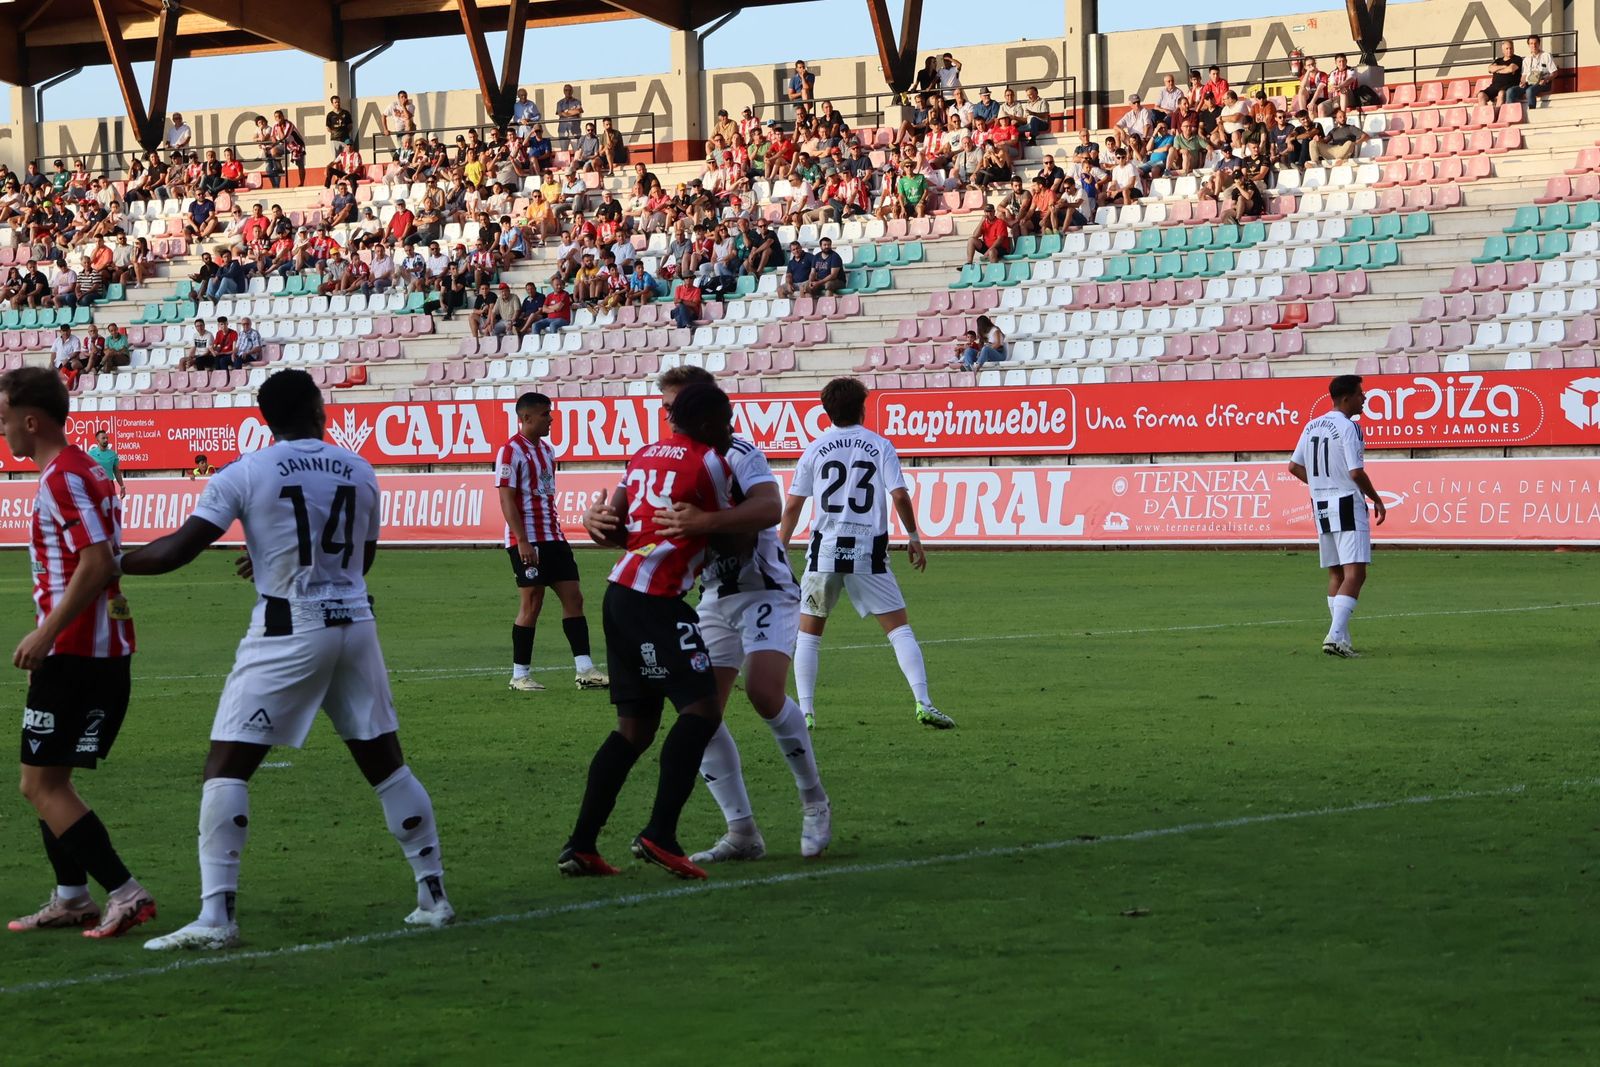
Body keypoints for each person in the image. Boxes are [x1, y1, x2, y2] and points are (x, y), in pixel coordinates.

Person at [125, 369, 454, 951]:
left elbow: (177, 549)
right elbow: (361, 555)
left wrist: (112, 563)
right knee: (387, 765)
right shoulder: (359, 468)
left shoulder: (247, 471)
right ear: (319, 410)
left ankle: (216, 916)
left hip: (289, 627)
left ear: (265, 419)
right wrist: (290, 557)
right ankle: (433, 897)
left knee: (225, 767)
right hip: (356, 625)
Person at [645, 366, 830, 866]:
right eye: (665, 409)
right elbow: (647, 526)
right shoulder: (670, 462)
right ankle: (742, 831)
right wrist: (604, 525)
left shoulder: (739, 452)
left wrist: (707, 522)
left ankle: (814, 801)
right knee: (699, 712)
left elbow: (770, 507)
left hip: (765, 591)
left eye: (676, 407)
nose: (670, 418)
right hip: (713, 597)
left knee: (764, 693)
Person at [1, 368, 156, 939]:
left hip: (76, 654)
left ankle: (124, 892)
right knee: (51, 780)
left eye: (4, 420)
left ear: (31, 420)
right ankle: (72, 898)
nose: (4, 431)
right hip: (92, 649)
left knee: (39, 785)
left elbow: (96, 563)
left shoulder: (64, 476)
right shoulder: (86, 467)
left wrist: (46, 634)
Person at [561, 382, 737, 881]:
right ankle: (660, 832)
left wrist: (598, 520)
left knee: (634, 730)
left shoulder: (642, 456)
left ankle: (582, 845)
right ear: (706, 425)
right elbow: (736, 526)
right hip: (656, 600)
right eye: (725, 424)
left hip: (619, 593)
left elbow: (615, 524)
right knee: (702, 710)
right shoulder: (709, 460)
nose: (730, 432)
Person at [777, 379, 954, 730]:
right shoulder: (879, 445)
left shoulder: (814, 448)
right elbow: (900, 496)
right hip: (867, 552)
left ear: (826, 412)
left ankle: (807, 713)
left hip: (824, 552)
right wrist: (914, 537)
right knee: (899, 630)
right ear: (862, 407)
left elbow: (794, 505)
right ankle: (923, 702)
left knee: (810, 633)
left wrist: (779, 548)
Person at [495, 392, 608, 694]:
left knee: (575, 598)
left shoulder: (547, 451)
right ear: (526, 418)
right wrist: (522, 540)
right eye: (546, 414)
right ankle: (520, 675)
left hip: (554, 537)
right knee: (532, 602)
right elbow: (506, 499)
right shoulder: (510, 451)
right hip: (528, 540)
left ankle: (585, 670)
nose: (551, 419)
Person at [1287, 374, 1387, 659]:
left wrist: (1321, 484)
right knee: (1356, 572)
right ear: (1346, 398)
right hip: (1345, 501)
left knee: (1336, 572)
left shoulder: (1311, 426)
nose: (1364, 399)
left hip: (1320, 504)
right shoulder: (1350, 427)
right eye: (1360, 394)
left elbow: (1294, 467)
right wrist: (1376, 499)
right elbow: (1356, 472)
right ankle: (1334, 636)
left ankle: (1341, 636)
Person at [1510, 35, 1557, 110]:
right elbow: (1523, 76)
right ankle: (1511, 113)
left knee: (1530, 91)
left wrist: (1546, 79)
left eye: (1535, 43)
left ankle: (1532, 111)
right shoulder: (1526, 59)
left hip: (1543, 83)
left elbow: (1554, 72)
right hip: (1529, 83)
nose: (1534, 45)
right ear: (1528, 45)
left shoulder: (1546, 56)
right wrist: (1523, 82)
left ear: (1539, 44)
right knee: (1511, 91)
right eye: (1531, 43)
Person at [86, 429, 127, 499]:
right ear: (97, 440)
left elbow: (116, 471)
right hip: (96, 484)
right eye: (103, 438)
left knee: (110, 507)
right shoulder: (90, 454)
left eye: (106, 438)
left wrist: (122, 486)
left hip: (109, 484)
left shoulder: (113, 454)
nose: (106, 440)